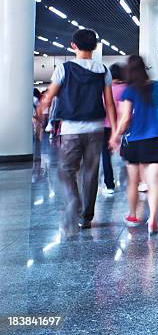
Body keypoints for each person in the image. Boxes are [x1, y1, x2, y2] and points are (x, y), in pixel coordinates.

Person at [37, 28, 117, 235]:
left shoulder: (64, 69)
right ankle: (85, 218)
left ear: (73, 45)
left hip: (71, 129)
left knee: (66, 170)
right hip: (97, 128)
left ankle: (74, 201)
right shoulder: (103, 70)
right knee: (90, 173)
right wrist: (115, 130)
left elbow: (50, 95)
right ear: (95, 47)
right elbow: (109, 104)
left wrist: (40, 107)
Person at [110, 55, 158, 236]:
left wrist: (115, 136)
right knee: (154, 182)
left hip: (134, 141)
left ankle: (133, 215)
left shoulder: (129, 91)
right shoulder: (157, 87)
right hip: (155, 140)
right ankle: (152, 219)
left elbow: (126, 118)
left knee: (133, 181)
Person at [101, 63, 126, 195]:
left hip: (106, 126)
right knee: (131, 155)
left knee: (106, 156)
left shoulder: (106, 89)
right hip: (125, 125)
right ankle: (138, 181)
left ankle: (109, 185)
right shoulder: (127, 88)